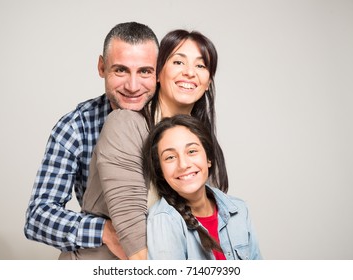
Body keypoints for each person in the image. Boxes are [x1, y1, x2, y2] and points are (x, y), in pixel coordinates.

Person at [76, 29, 229, 260]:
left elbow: (211, 223)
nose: (189, 72)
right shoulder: (125, 124)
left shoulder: (202, 143)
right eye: (178, 61)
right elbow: (134, 242)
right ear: (158, 73)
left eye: (201, 66)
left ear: (208, 82)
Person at [24, 22, 159, 260]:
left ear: (159, 72)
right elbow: (37, 217)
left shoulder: (173, 118)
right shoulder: (75, 127)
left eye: (145, 71)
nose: (133, 86)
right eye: (121, 70)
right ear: (101, 67)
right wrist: (106, 232)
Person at [143, 114, 262, 260]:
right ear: (160, 170)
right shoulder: (163, 220)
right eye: (170, 157)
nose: (183, 165)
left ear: (209, 158)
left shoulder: (239, 209)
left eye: (192, 151)